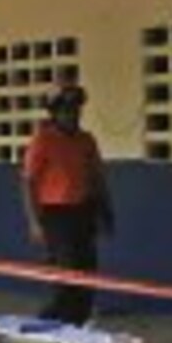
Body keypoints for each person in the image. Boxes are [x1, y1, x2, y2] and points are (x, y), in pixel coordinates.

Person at [21, 82, 114, 326]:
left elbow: (96, 177)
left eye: (76, 110)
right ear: (55, 113)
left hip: (84, 211)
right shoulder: (43, 140)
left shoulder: (86, 140)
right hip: (56, 216)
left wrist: (106, 211)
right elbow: (29, 182)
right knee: (66, 273)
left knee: (87, 272)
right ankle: (51, 321)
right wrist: (34, 222)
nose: (73, 115)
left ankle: (79, 323)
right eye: (67, 110)